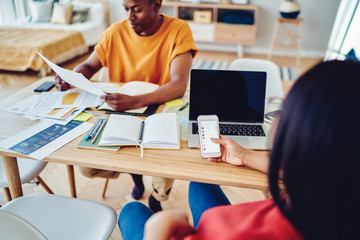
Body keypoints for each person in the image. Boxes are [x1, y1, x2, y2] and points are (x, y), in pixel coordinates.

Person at [118, 60, 360, 240]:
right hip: (229, 222)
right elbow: (310, 172)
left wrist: (158, 231)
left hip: (214, 230)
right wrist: (244, 155)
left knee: (131, 211)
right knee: (200, 183)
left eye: (286, 111)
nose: (276, 118)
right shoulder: (336, 193)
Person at [55, 0, 198, 212]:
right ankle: (136, 176)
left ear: (156, 5)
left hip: (160, 110)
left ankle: (157, 198)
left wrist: (137, 101)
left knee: (165, 164)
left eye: (137, 9)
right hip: (120, 112)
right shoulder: (114, 32)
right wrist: (72, 76)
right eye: (126, 9)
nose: (130, 16)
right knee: (87, 168)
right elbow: (89, 65)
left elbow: (178, 85)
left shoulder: (178, 30)